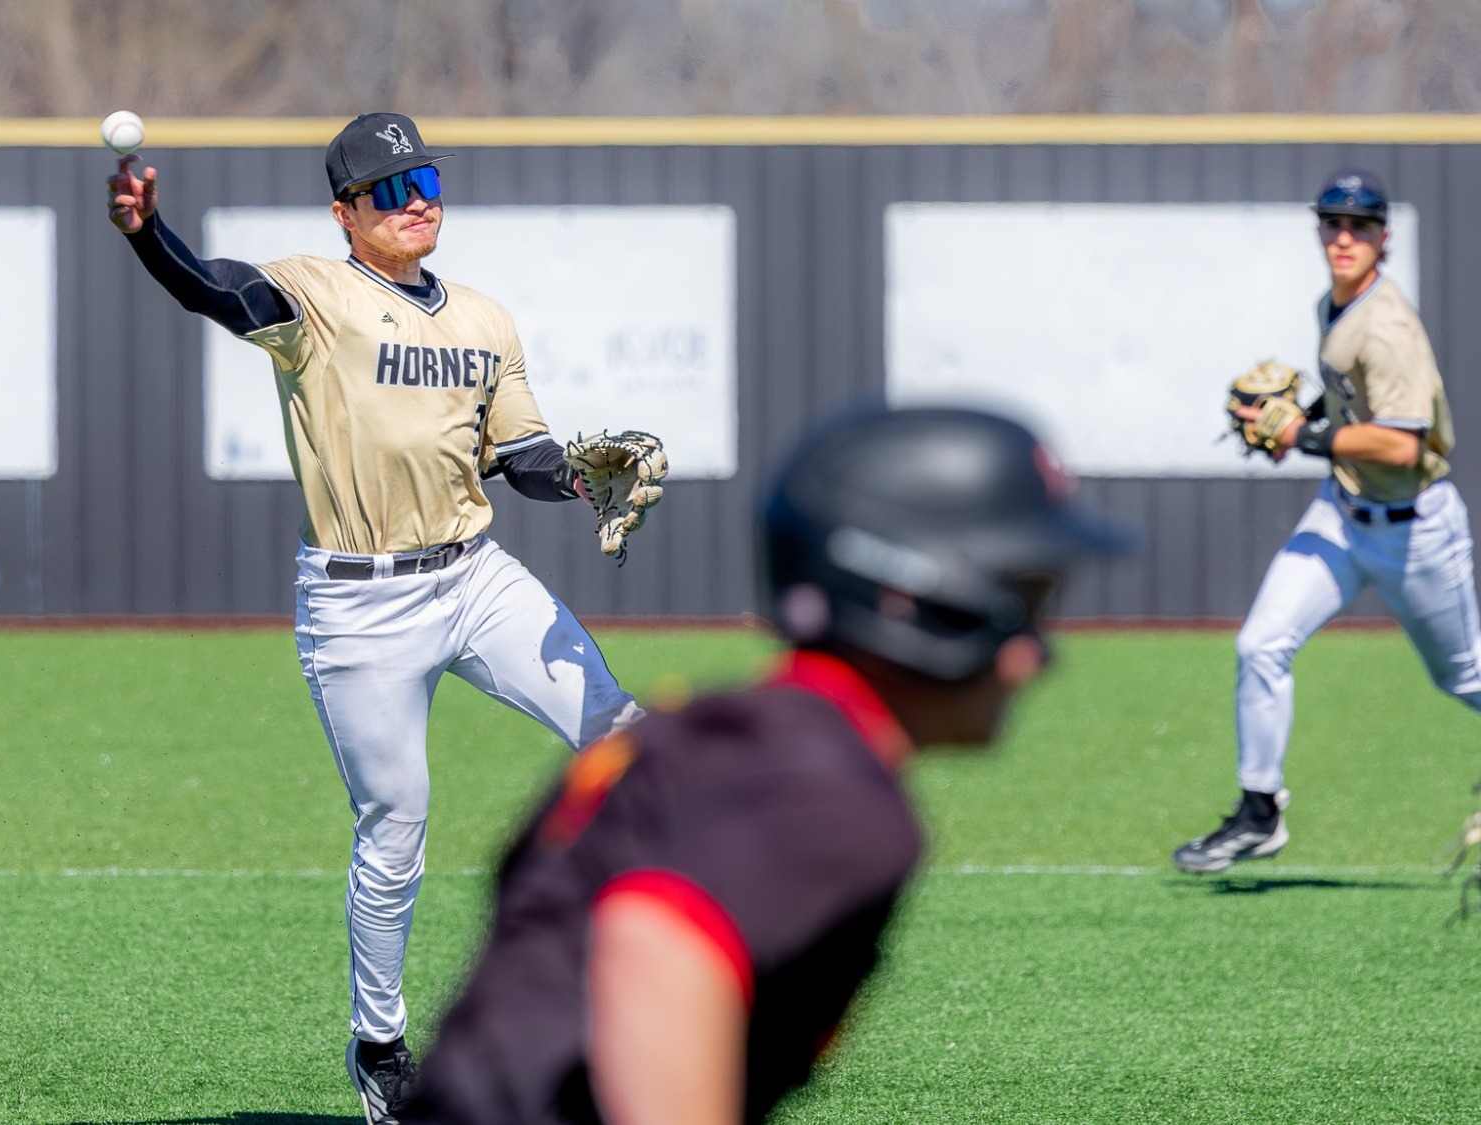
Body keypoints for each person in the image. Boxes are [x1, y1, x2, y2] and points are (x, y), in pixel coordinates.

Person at [105, 112, 647, 1125]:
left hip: (475, 575)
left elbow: (515, 457)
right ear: (346, 213)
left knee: (628, 738)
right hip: (360, 603)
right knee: (395, 826)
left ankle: (643, 981)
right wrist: (149, 236)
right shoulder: (314, 296)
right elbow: (215, 289)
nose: (418, 202)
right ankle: (381, 1043)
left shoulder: (483, 318)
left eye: (427, 179)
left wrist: (574, 474)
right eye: (391, 190)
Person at [405, 406, 1125, 1125]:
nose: (1035, 656)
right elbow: (651, 941)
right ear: (912, 598)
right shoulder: (829, 795)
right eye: (1021, 601)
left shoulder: (718, 732)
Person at [1172, 170, 1480, 875]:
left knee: (1465, 678)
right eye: (1333, 223)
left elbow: (1403, 442)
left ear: (1384, 238)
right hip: (1343, 512)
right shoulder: (1335, 303)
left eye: (1360, 226)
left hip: (1414, 528)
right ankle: (1259, 811)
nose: (1345, 237)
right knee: (1261, 645)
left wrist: (1300, 438)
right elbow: (1351, 413)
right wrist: (1303, 417)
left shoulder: (1389, 327)